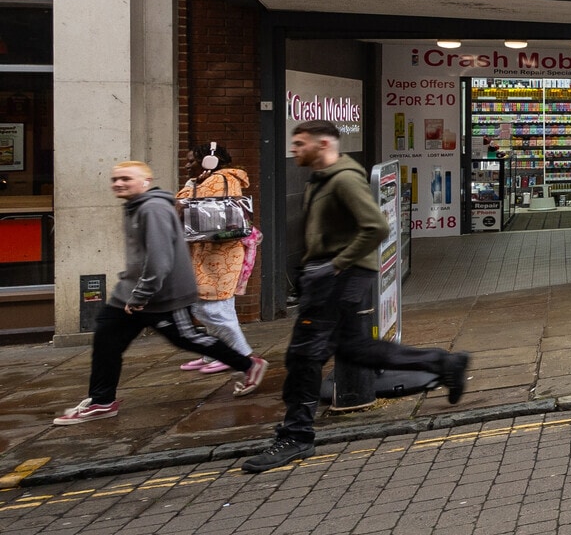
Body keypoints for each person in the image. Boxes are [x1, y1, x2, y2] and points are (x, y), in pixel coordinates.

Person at [242, 120, 469, 473]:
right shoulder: (322, 179)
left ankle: (296, 436)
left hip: (338, 277)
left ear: (323, 144)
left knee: (305, 355)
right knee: (356, 349)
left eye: (301, 143)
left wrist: (335, 264)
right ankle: (443, 364)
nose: (295, 149)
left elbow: (376, 226)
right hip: (330, 275)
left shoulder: (344, 179)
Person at [53, 161, 266, 425]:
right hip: (131, 294)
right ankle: (101, 401)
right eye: (115, 179)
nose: (119, 183)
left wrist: (141, 295)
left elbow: (159, 259)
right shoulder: (135, 206)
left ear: (145, 181)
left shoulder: (152, 209)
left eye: (126, 179)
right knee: (106, 340)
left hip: (163, 294)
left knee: (187, 339)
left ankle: (248, 364)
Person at [175, 142, 255, 373]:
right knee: (216, 306)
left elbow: (182, 205)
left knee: (213, 308)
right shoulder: (208, 180)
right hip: (209, 252)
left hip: (219, 256)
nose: (187, 164)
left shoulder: (219, 180)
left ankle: (239, 355)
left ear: (209, 161)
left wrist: (191, 186)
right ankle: (214, 354)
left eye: (192, 160)